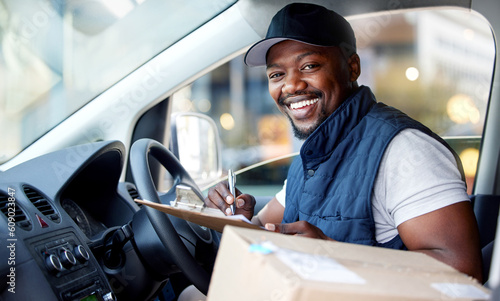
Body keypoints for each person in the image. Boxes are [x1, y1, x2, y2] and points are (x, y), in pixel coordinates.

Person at [204, 2, 483, 282]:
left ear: (352, 67)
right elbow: (262, 228)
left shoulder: (405, 150)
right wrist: (236, 216)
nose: (290, 86)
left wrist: (336, 256)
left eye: (309, 66)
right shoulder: (311, 158)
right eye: (277, 74)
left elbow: (463, 271)